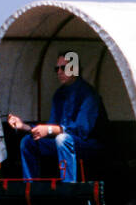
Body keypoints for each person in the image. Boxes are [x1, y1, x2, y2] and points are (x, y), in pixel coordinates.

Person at [8, 52, 103, 182]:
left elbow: (81, 130)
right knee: (28, 142)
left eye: (63, 68)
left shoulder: (89, 95)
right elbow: (50, 127)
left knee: (62, 139)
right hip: (63, 142)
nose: (59, 72)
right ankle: (31, 188)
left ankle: (68, 188)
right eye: (56, 69)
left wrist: (51, 130)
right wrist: (24, 126)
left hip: (88, 145)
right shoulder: (59, 95)